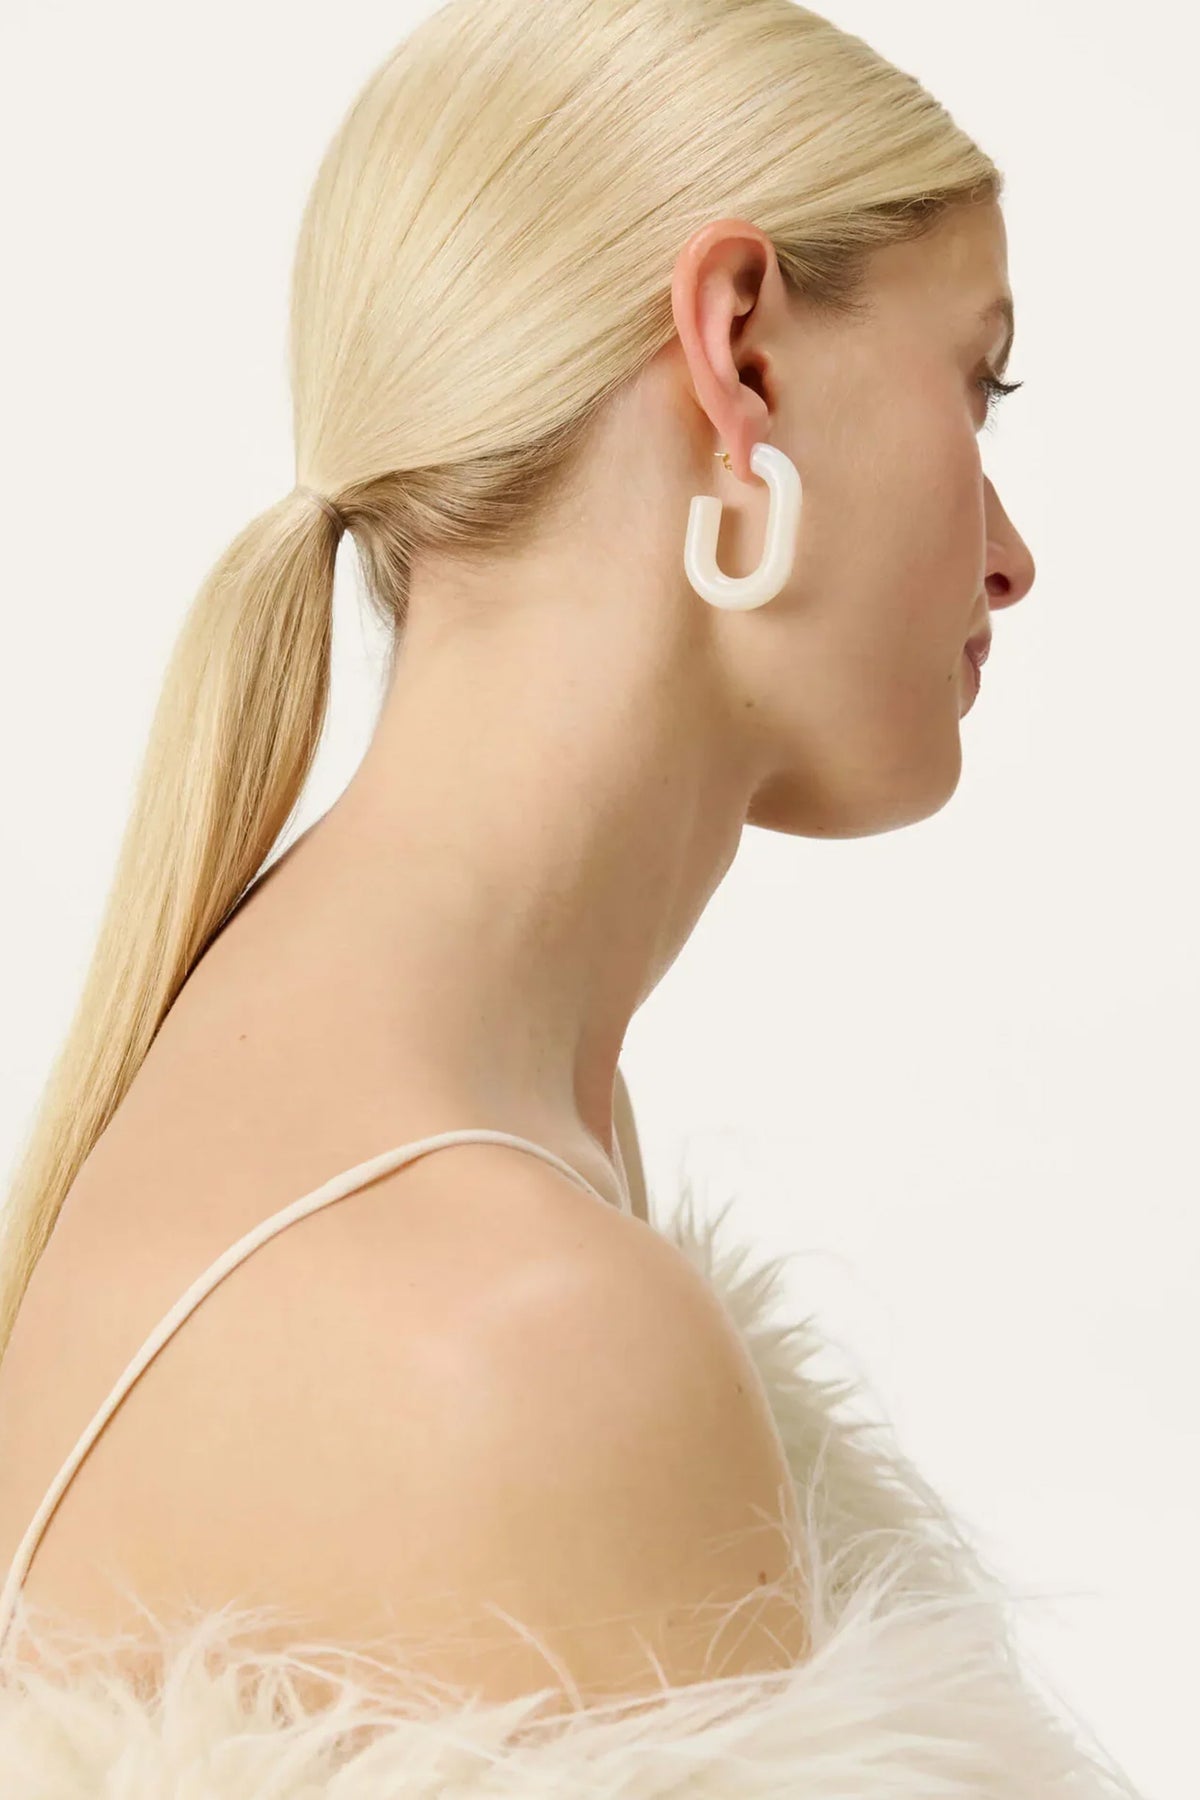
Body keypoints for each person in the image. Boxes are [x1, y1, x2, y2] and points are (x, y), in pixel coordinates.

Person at [0, 2, 1142, 1795]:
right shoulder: (515, 1334)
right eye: (974, 385)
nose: (1013, 556)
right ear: (738, 358)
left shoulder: (365, 1091)